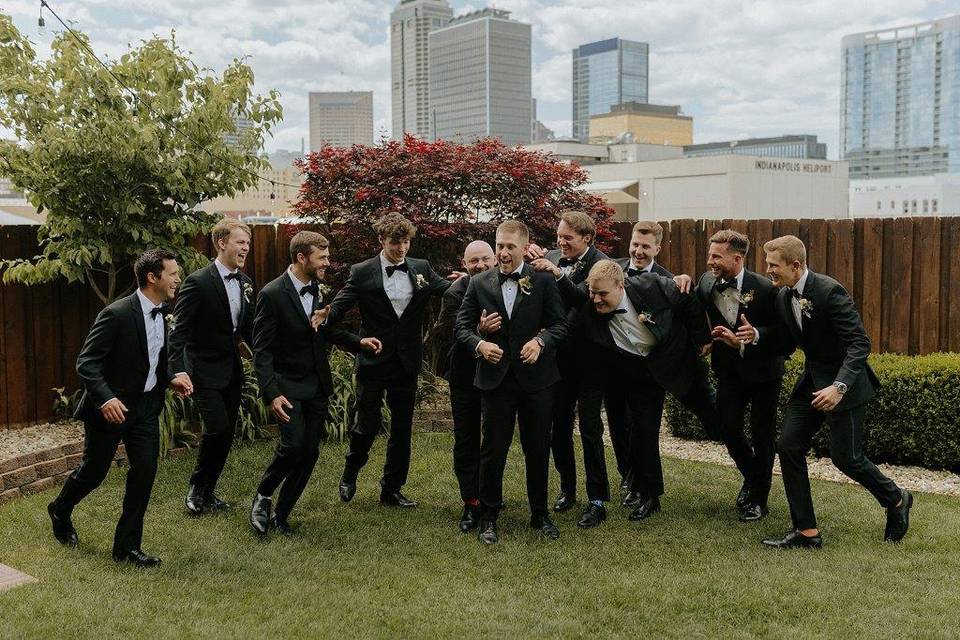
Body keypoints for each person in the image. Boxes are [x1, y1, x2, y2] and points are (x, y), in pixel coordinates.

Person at [756, 235, 912, 548]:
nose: (768, 270)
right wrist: (755, 336)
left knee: (847, 459)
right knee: (788, 445)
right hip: (811, 383)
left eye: (774, 265)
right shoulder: (783, 295)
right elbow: (789, 342)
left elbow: (860, 344)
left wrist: (839, 387)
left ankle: (896, 498)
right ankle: (806, 532)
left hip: (845, 386)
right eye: (767, 264)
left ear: (796, 265)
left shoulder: (829, 291)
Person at [48, 250, 190, 566]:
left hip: (146, 409)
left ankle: (126, 549)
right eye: (172, 274)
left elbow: (152, 358)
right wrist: (107, 398)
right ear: (153, 277)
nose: (177, 279)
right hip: (109, 409)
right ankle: (60, 508)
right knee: (94, 472)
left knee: (145, 472)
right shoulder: (117, 314)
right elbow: (87, 362)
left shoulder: (164, 312)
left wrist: (170, 379)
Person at [249, 231, 381, 536]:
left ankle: (281, 515)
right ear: (301, 258)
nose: (328, 263)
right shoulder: (272, 294)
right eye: (322, 258)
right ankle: (264, 495)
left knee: (309, 452)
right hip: (287, 386)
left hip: (316, 386)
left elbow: (326, 331)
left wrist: (360, 342)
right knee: (292, 446)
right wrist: (272, 393)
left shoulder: (318, 292)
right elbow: (262, 349)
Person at [566, 260, 713, 522]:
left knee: (648, 431)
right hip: (606, 368)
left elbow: (686, 300)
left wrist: (701, 338)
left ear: (620, 286)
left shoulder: (652, 285)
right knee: (604, 429)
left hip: (661, 363)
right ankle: (614, 499)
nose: (596, 300)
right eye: (592, 292)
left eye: (602, 294)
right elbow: (567, 324)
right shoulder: (587, 306)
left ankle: (648, 493)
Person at [324, 213, 454, 508]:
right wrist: (352, 339)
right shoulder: (362, 272)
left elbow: (447, 289)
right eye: (396, 242)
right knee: (366, 426)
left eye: (407, 241)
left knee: (402, 429)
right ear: (381, 240)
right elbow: (337, 312)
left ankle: (391, 489)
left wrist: (473, 282)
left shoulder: (421, 268)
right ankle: (350, 471)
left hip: (406, 362)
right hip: (374, 360)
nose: (402, 248)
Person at [455, 220, 568, 544]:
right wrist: (480, 343)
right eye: (499, 246)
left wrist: (541, 341)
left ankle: (540, 514)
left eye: (509, 247)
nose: (503, 253)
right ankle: (489, 516)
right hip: (496, 381)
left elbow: (560, 324)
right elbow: (461, 328)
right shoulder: (479, 284)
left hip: (537, 380)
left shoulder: (543, 280)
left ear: (524, 246)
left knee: (537, 447)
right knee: (493, 450)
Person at [695, 230, 784, 522]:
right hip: (729, 372)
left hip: (763, 373)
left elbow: (784, 335)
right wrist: (703, 337)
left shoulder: (767, 289)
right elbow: (696, 308)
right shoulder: (707, 283)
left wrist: (753, 336)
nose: (710, 261)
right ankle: (753, 477)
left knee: (762, 435)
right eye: (710, 255)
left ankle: (758, 500)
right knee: (727, 428)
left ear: (737, 258)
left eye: (716, 256)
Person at [527, 211, 610, 524]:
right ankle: (567, 488)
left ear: (586, 238)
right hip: (557, 358)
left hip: (591, 358)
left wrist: (558, 275)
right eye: (559, 236)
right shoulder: (550, 256)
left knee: (590, 427)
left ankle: (597, 500)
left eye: (568, 238)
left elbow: (584, 302)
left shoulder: (600, 262)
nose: (560, 242)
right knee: (557, 426)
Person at [168, 219, 255, 516]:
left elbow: (249, 329)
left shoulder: (245, 283)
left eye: (247, 243)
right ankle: (196, 489)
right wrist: (178, 370)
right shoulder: (198, 281)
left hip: (232, 370)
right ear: (221, 243)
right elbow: (178, 332)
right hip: (203, 371)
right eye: (240, 242)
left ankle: (209, 492)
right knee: (217, 428)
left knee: (227, 432)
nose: (245, 248)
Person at [432, 240, 497, 532]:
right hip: (465, 376)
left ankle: (489, 496)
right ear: (464, 264)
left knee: (494, 439)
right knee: (466, 439)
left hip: (498, 376)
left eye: (485, 259)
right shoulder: (454, 293)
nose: (480, 265)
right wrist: (478, 334)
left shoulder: (506, 286)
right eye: (474, 261)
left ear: (495, 259)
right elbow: (448, 335)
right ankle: (470, 502)